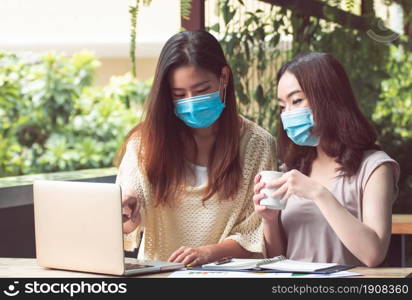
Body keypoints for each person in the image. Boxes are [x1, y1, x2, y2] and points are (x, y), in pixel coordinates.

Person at [116, 30, 277, 266]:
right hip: (158, 279)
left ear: (224, 77)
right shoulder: (144, 142)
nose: (191, 102)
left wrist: (208, 252)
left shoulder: (257, 144)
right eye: (179, 95)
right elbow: (127, 227)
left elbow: (256, 234)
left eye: (201, 91)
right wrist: (127, 211)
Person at [253, 52, 400, 267]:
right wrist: (270, 220)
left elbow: (373, 254)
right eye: (282, 107)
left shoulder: (374, 167)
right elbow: (280, 260)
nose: (287, 114)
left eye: (296, 101)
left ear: (328, 99)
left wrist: (318, 194)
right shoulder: (292, 170)